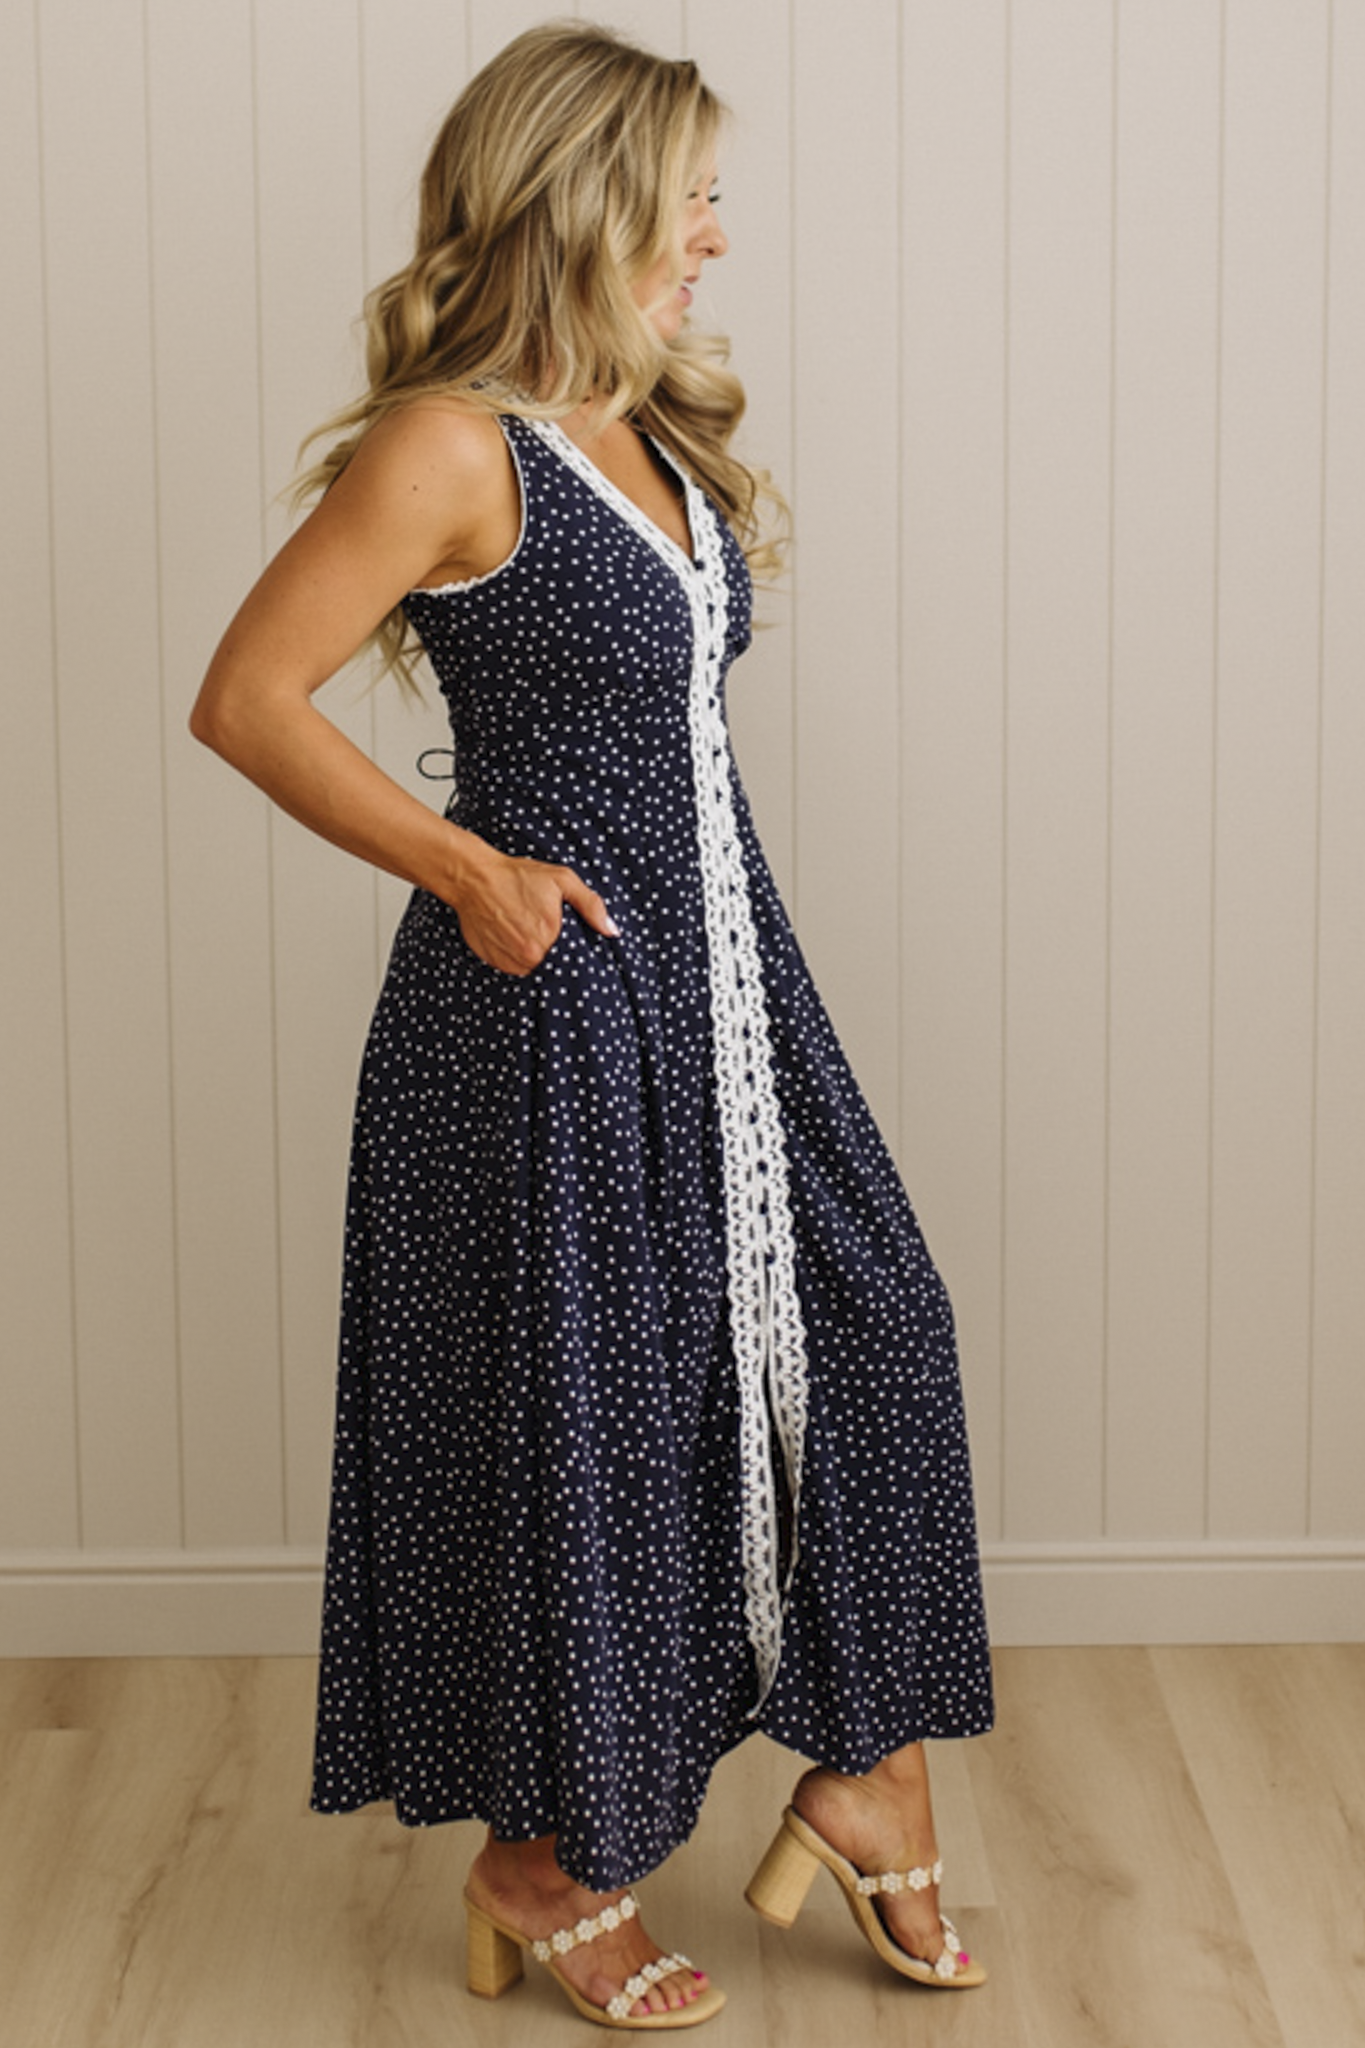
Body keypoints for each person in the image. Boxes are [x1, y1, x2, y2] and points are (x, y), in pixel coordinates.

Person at [191, 21, 994, 2032]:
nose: (717, 234)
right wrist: (471, 874)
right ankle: (546, 1855)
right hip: (546, 1005)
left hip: (728, 965)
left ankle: (868, 1769)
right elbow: (248, 696)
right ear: (593, 195)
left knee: (876, 1323)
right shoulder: (452, 443)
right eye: (692, 194)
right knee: (596, 1416)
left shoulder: (641, 419)